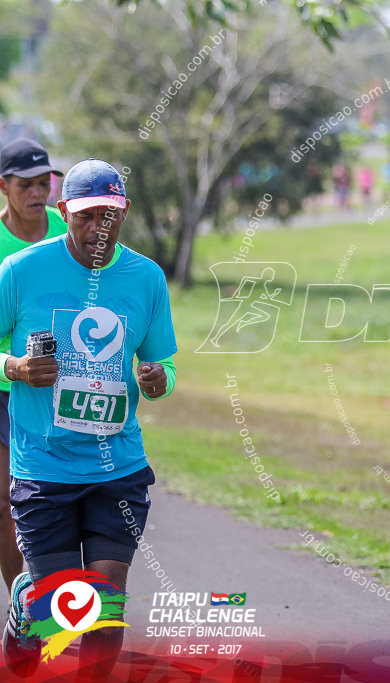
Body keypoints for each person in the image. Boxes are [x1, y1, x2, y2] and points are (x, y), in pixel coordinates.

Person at [0, 158, 177, 678]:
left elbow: (162, 360)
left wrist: (159, 379)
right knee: (61, 614)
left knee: (102, 606)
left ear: (125, 213)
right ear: (63, 212)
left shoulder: (145, 277)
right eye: (86, 217)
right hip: (44, 467)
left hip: (116, 465)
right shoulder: (21, 271)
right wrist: (14, 367)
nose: (100, 228)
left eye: (111, 216)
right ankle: (25, 611)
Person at [0, 139, 67, 597]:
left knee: (57, 501)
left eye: (44, 183)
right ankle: (25, 610)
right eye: (26, 185)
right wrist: (15, 366)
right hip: (5, 386)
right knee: (8, 504)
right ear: (3, 186)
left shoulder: (66, 228)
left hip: (60, 384)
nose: (38, 193)